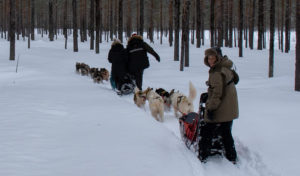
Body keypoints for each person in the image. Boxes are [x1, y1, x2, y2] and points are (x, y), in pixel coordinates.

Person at [198, 47, 239, 164]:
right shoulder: (227, 67)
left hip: (222, 107)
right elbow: (235, 80)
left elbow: (217, 94)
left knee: (207, 130)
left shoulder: (217, 72)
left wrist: (210, 108)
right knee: (226, 132)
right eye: (208, 58)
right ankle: (232, 157)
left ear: (218, 58)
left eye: (213, 57)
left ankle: (203, 155)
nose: (210, 60)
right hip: (230, 106)